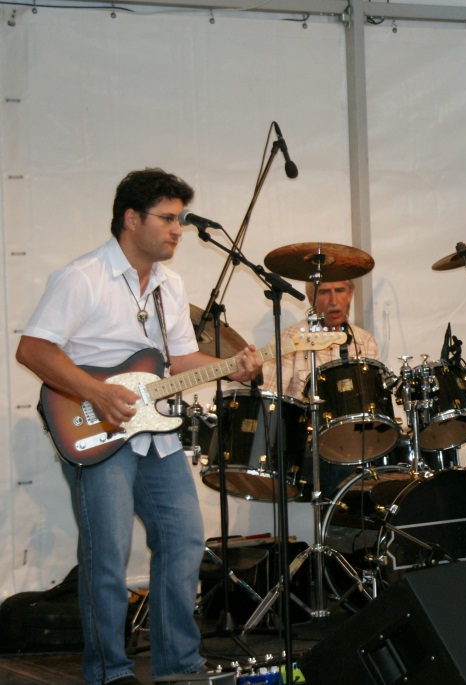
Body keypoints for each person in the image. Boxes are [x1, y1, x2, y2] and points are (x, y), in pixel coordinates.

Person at [16, 168, 262, 685]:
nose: (177, 230)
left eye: (180, 220)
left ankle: (179, 666)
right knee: (106, 554)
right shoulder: (82, 277)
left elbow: (178, 361)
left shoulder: (170, 285)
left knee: (184, 540)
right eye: (167, 219)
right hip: (94, 429)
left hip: (155, 434)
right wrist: (97, 392)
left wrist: (232, 368)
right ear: (131, 219)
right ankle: (109, 672)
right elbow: (33, 349)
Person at [261, 279, 380, 496]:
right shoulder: (288, 340)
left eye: (340, 290)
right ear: (310, 299)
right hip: (306, 447)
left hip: (354, 443)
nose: (334, 300)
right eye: (324, 292)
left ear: (350, 294)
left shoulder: (365, 341)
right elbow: (268, 402)